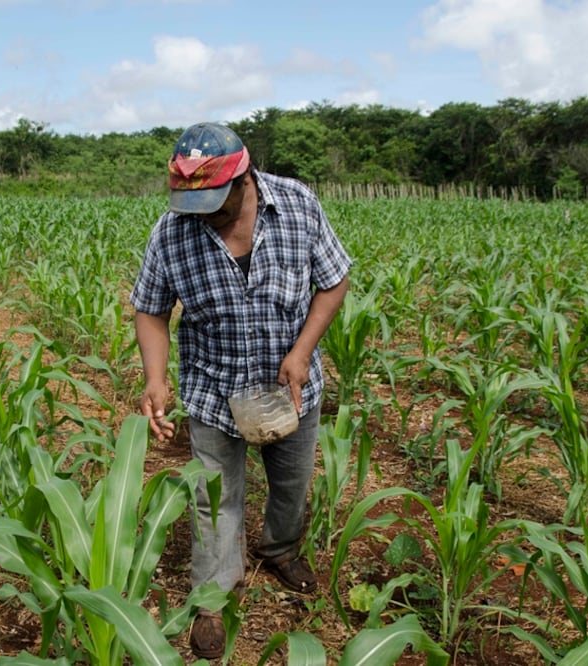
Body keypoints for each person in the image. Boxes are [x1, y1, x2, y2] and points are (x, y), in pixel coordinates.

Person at [130, 122, 351, 659]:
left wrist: (301, 353)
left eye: (215, 201)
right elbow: (150, 308)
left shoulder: (298, 205)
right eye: (194, 201)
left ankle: (279, 548)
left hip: (290, 386)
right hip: (212, 390)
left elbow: (334, 278)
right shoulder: (172, 231)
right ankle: (212, 596)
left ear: (244, 178)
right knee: (214, 499)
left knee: (292, 484)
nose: (204, 212)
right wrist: (156, 378)